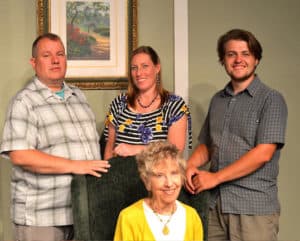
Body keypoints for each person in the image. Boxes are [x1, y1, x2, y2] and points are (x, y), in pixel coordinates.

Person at [0, 33, 110, 241]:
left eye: (60, 54)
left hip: (82, 212)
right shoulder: (24, 102)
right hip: (42, 218)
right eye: (47, 55)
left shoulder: (79, 97)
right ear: (34, 62)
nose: (55, 60)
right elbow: (21, 156)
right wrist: (75, 165)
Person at [185, 29, 288, 241]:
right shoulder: (218, 100)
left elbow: (263, 154)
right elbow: (207, 144)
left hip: (253, 208)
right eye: (231, 54)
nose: (238, 59)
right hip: (216, 207)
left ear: (256, 59)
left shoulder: (271, 100)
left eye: (245, 53)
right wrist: (190, 166)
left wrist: (215, 178)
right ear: (223, 60)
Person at [103, 46, 192, 159]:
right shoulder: (119, 103)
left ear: (157, 68)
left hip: (157, 175)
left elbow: (174, 153)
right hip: (120, 175)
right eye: (134, 68)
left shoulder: (174, 105)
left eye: (145, 66)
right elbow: (109, 150)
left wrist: (136, 149)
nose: (139, 73)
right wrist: (108, 175)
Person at [113, 141, 203, 241]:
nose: (169, 183)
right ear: (147, 181)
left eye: (174, 173)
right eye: (160, 175)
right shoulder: (128, 218)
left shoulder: (192, 217)